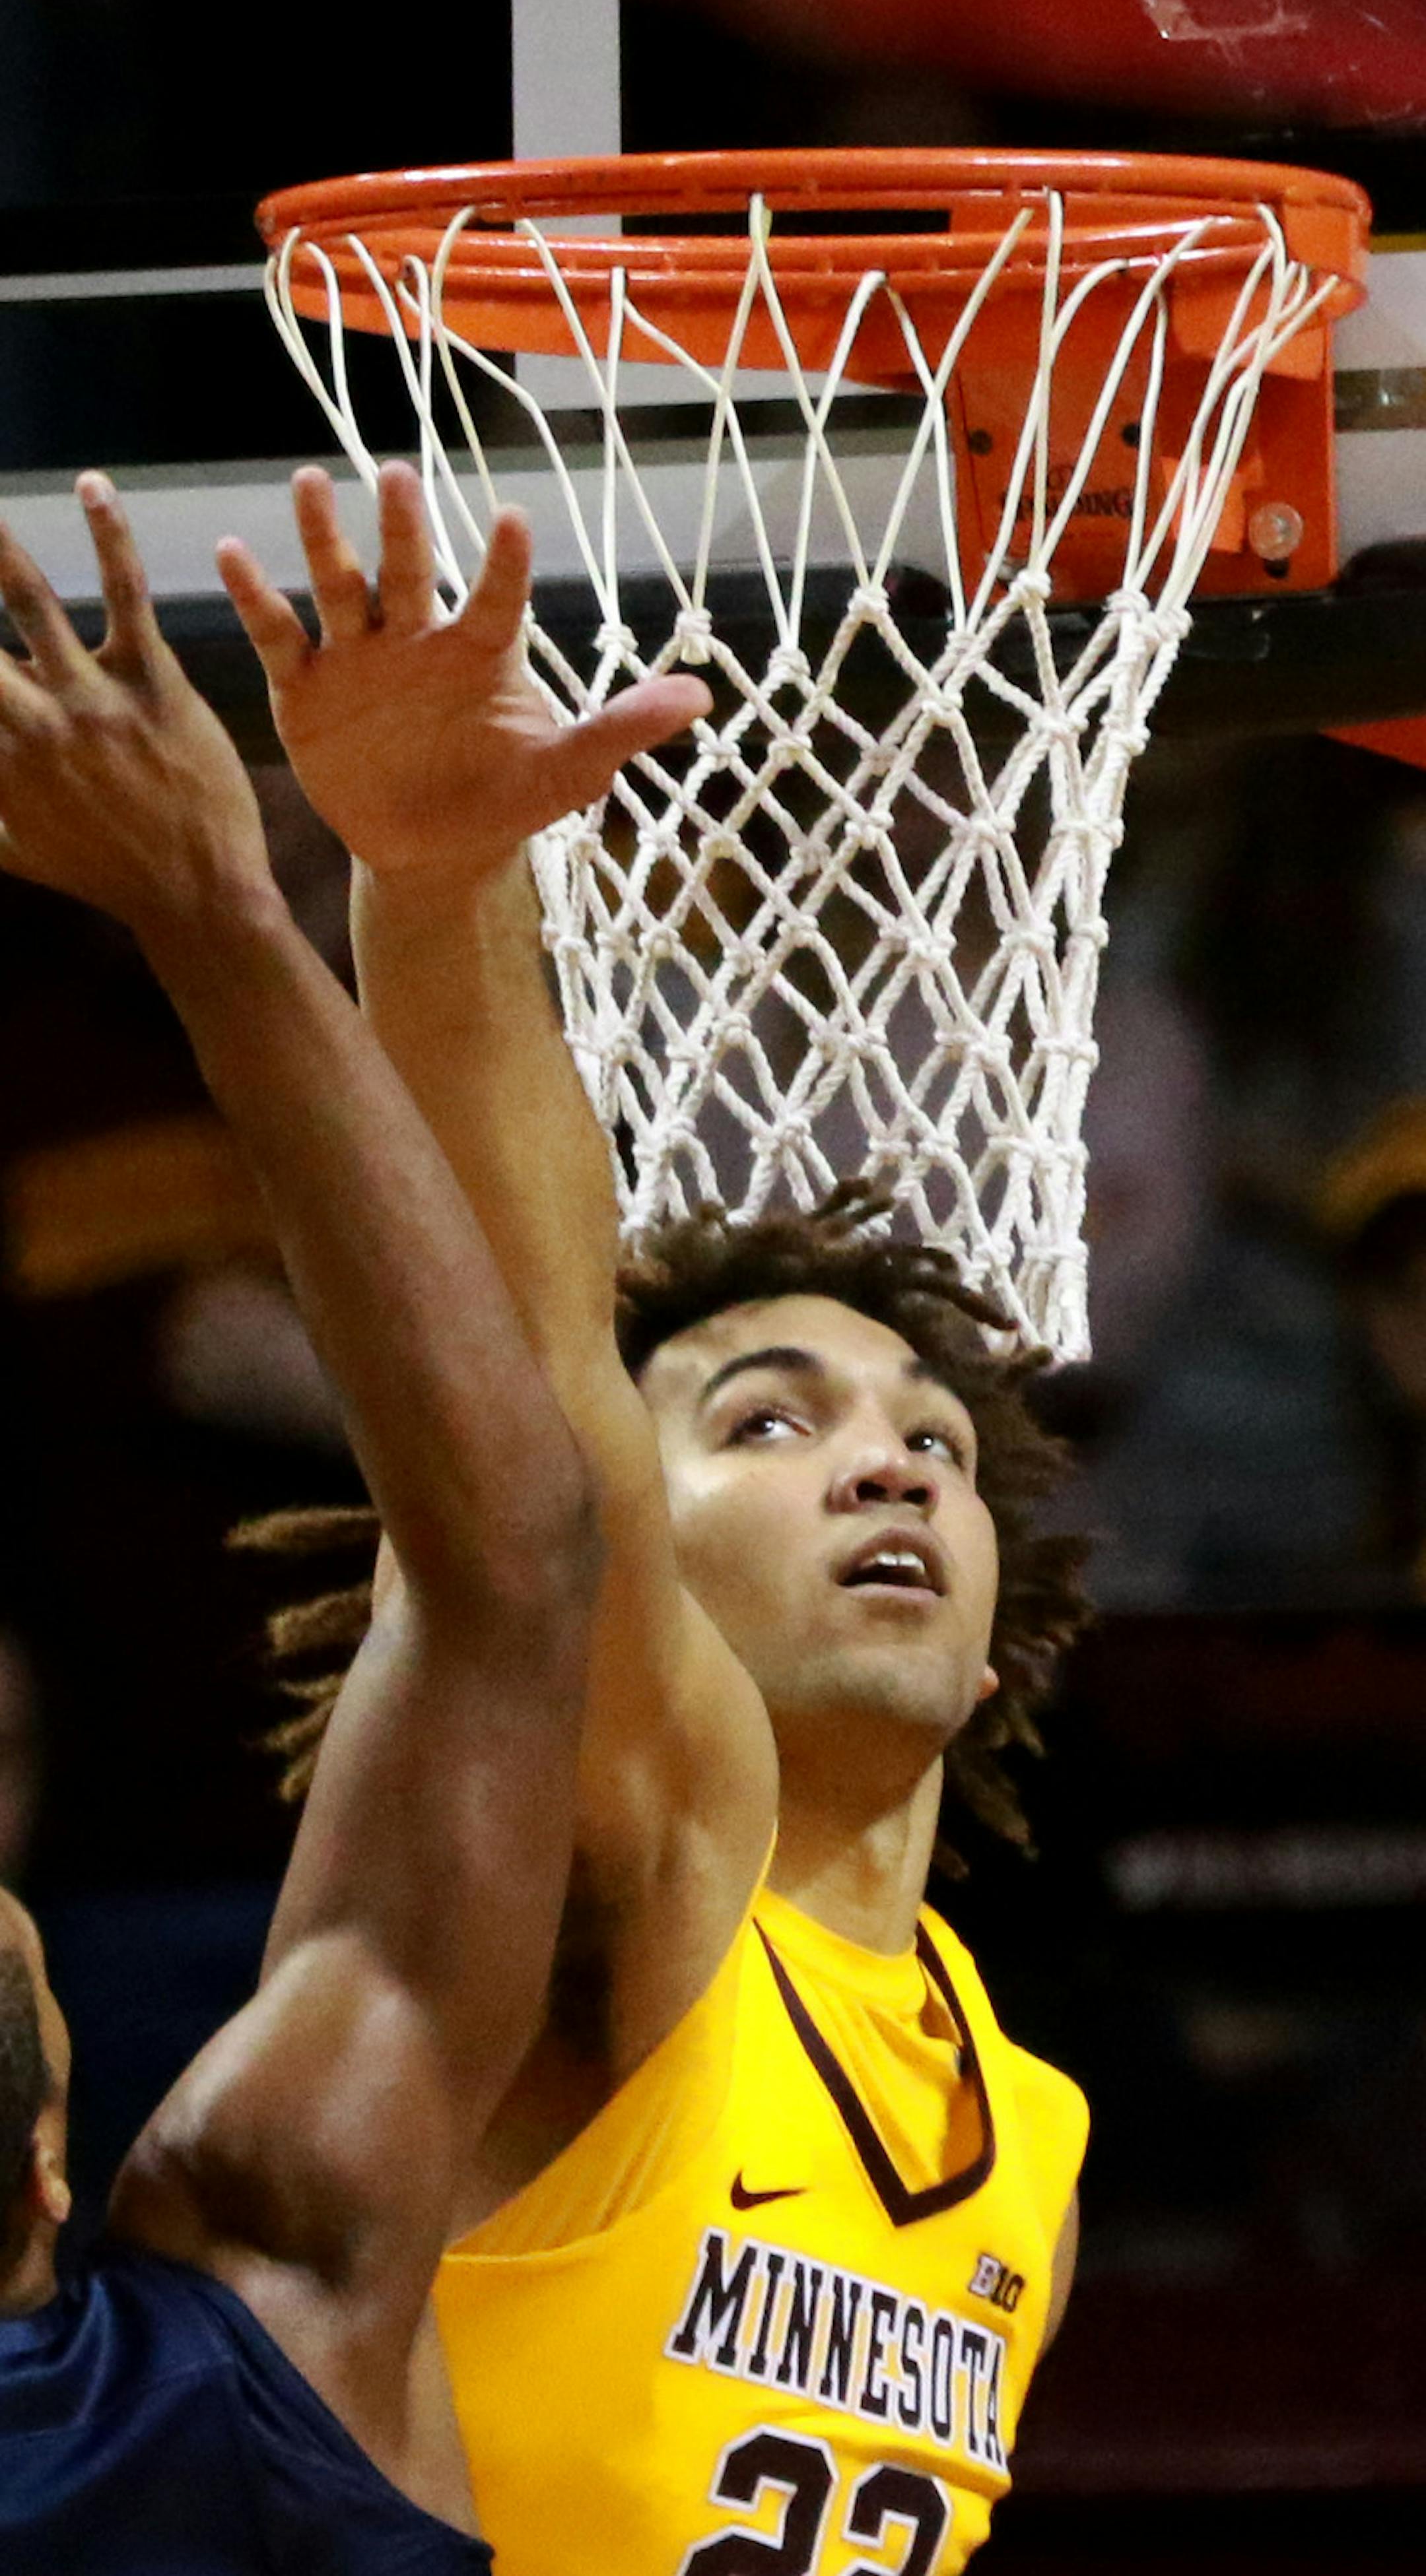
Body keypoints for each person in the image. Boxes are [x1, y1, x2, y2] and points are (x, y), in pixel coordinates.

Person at [221, 463, 1091, 2576]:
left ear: (992, 1649)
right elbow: (528, 1368)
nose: (889, 1460)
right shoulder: (657, 1848)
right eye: (769, 1420)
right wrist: (430, 893)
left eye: (932, 1445)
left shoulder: (1033, 2145)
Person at [0, 477, 607, 2571]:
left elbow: (514, 1576)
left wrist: (238, 911)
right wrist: (221, 912)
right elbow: (514, 1574)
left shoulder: (231, 2347)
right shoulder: (251, 2329)